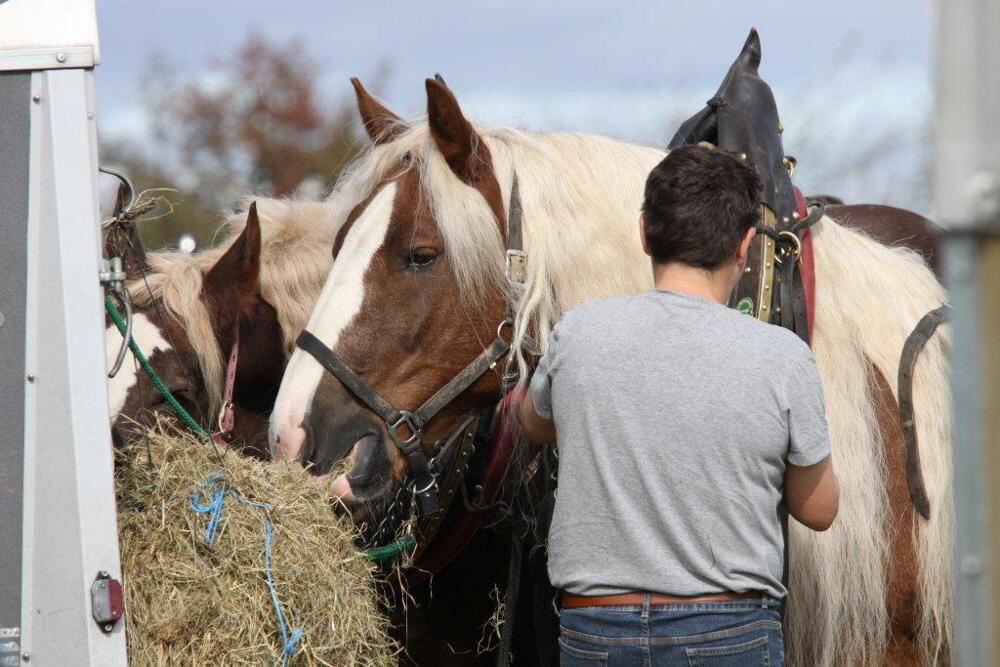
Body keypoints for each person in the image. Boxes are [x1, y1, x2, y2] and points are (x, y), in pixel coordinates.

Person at [518, 144, 839, 666]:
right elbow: (818, 510)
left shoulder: (578, 333)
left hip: (595, 631)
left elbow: (532, 424)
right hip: (728, 633)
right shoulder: (783, 357)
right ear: (744, 245)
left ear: (644, 233)